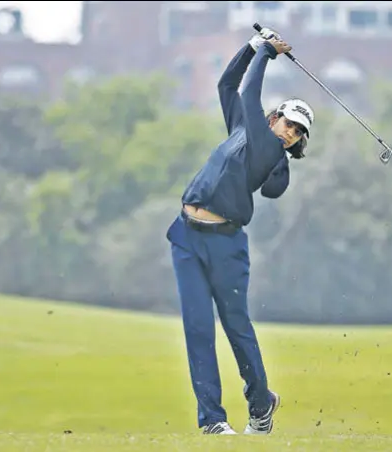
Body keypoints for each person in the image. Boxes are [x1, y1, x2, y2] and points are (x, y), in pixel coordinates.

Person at [165, 28, 315, 435]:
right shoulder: (243, 127)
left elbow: (249, 93)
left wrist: (265, 50)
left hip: (226, 246)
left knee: (236, 327)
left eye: (298, 132)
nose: (291, 132)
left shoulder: (270, 149)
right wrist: (249, 47)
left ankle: (260, 404)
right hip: (186, 237)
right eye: (289, 122)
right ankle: (212, 420)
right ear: (275, 117)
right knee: (197, 328)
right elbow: (228, 84)